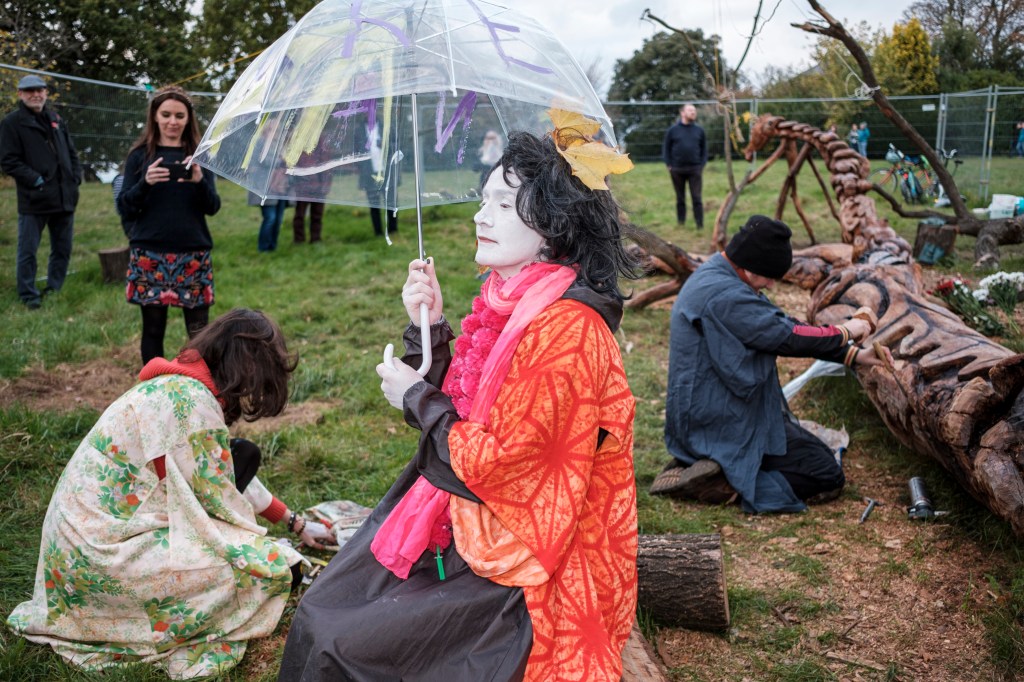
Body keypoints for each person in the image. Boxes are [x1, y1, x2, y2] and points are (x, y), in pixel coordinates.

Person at [280, 130, 639, 681]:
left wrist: (416, 399)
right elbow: (478, 401)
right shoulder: (516, 300)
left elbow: (510, 466)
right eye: (482, 199)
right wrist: (432, 330)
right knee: (326, 608)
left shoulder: (566, 329)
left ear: (553, 227)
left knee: (339, 643)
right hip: (470, 515)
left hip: (528, 558)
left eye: (502, 204)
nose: (480, 216)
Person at [6, 308, 335, 679]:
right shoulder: (191, 407)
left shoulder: (175, 385)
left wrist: (293, 521)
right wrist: (278, 554)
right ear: (248, 367)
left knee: (253, 542)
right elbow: (222, 509)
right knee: (262, 572)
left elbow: (218, 480)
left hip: (70, 557)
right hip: (99, 555)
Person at [651, 215, 892, 513]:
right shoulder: (726, 295)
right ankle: (725, 483)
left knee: (810, 451)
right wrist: (848, 331)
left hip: (705, 416)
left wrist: (853, 355)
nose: (771, 284)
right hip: (722, 419)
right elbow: (787, 335)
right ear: (751, 265)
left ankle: (707, 461)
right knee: (825, 472)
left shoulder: (717, 274)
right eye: (768, 276)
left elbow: (777, 326)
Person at [117, 86, 220, 366]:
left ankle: (201, 386)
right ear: (155, 117)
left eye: (179, 115)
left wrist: (198, 180)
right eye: (166, 115)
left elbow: (213, 206)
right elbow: (124, 206)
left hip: (193, 252)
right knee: (152, 329)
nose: (172, 122)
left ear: (188, 119)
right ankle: (152, 386)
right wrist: (145, 182)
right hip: (150, 253)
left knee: (199, 333)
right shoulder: (140, 156)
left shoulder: (199, 156)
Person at [0, 74, 81, 309]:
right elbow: (9, 161)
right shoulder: (12, 123)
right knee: (28, 250)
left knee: (62, 248)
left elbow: (72, 152)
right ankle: (28, 295)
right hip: (34, 200)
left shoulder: (56, 119)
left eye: (40, 90)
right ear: (20, 94)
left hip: (64, 197)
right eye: (30, 91)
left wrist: (74, 178)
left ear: (46, 92)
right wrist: (36, 180)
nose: (36, 94)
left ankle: (54, 288)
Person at [662, 103, 707, 229]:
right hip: (677, 169)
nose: (693, 112)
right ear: (682, 113)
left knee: (697, 198)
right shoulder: (673, 130)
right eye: (690, 110)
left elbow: (704, 149)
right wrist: (669, 164)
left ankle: (700, 224)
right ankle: (681, 222)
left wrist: (701, 165)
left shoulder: (699, 130)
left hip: (695, 169)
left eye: (694, 110)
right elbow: (666, 148)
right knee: (680, 198)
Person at [357, 120, 398, 237]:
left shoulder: (386, 126)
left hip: (387, 172)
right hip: (369, 173)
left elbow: (396, 146)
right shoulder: (359, 130)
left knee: (391, 202)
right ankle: (378, 232)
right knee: (374, 204)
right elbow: (356, 150)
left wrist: (385, 145)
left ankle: (393, 230)